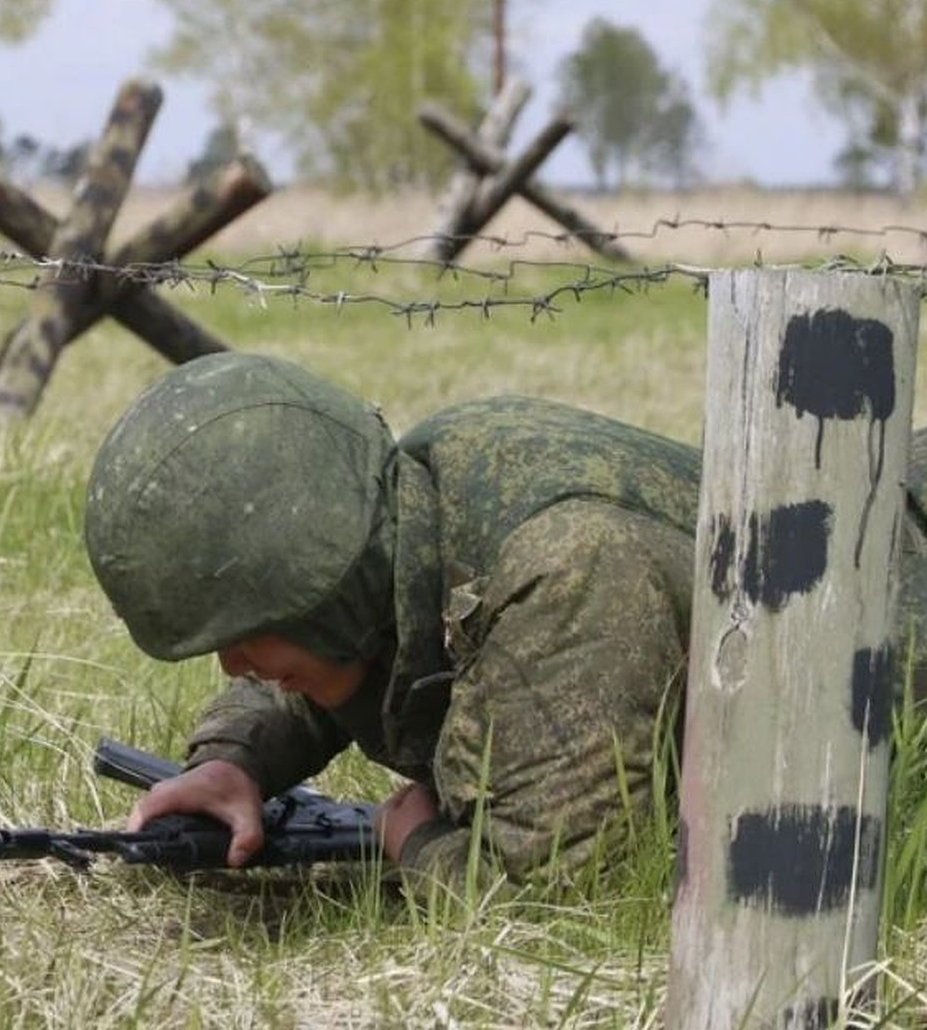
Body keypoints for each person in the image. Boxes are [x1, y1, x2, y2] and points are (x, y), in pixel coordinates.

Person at [83, 351, 927, 890]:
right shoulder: (418, 501)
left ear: (324, 592)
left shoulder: (565, 572)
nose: (232, 667)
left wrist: (414, 845)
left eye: (245, 636)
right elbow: (375, 641)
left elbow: (563, 892)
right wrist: (235, 762)